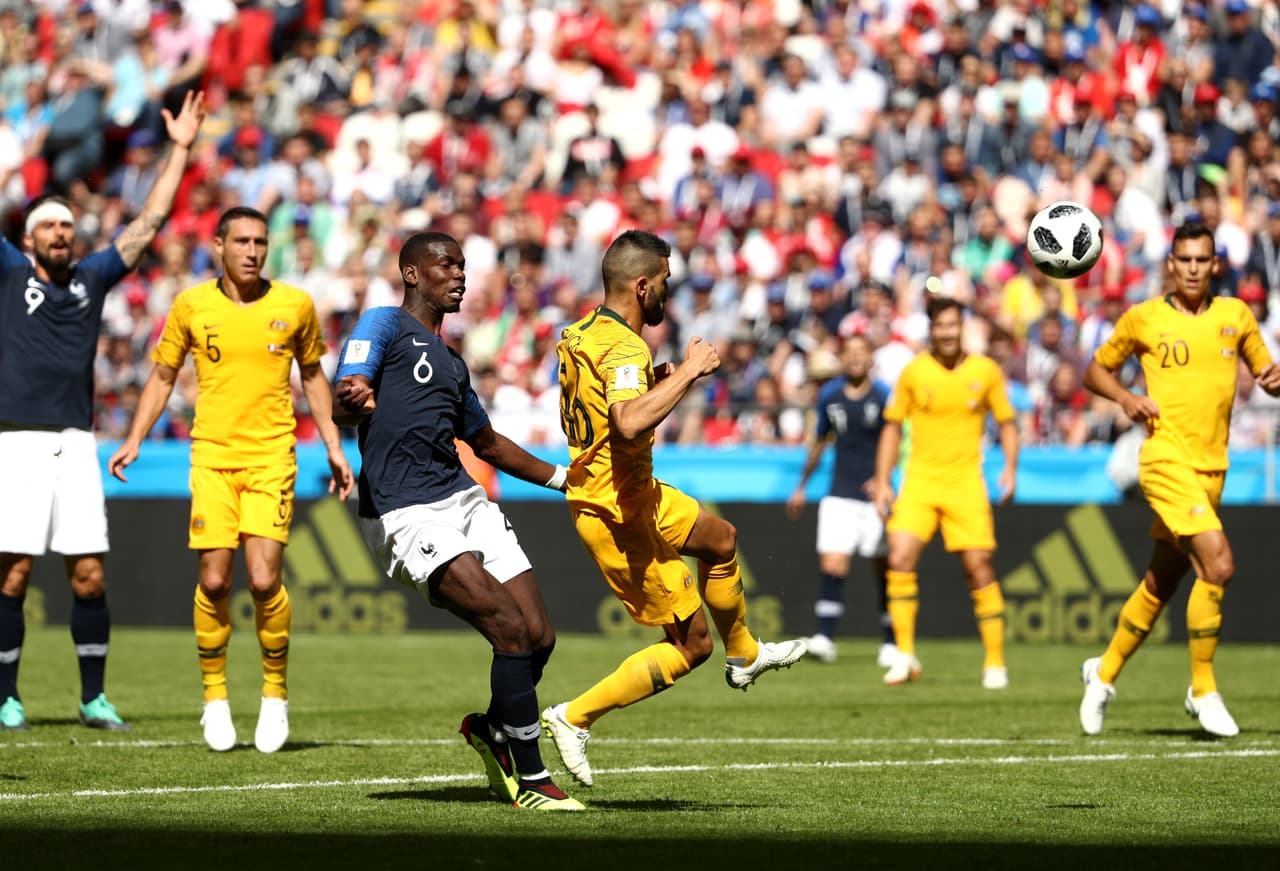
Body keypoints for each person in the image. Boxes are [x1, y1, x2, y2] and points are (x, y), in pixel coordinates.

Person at [541, 229, 807, 789]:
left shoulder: (582, 332)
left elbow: (608, 401)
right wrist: (688, 371)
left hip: (634, 490)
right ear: (642, 286)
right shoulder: (625, 346)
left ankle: (745, 654)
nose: (669, 291)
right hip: (615, 511)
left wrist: (658, 378)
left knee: (720, 538)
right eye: (665, 281)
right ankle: (574, 717)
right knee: (692, 645)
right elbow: (627, 421)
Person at [330, 232, 583, 811]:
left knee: (539, 636)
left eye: (464, 266)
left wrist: (565, 479)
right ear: (412, 273)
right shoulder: (384, 323)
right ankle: (533, 780)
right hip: (404, 510)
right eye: (446, 264)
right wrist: (353, 395)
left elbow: (487, 443)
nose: (460, 274)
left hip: (463, 500)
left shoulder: (452, 363)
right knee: (507, 627)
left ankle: (492, 729)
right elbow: (345, 394)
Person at [107, 206, 355, 754]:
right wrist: (134, 437)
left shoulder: (295, 304)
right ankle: (215, 698)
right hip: (212, 459)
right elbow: (163, 376)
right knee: (216, 581)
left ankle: (275, 695)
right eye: (241, 241)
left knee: (264, 580)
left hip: (272, 458)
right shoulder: (191, 305)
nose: (252, 251)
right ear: (219, 245)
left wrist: (335, 446)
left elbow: (314, 375)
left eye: (260, 242)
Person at [0, 91, 206, 733]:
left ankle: (93, 698)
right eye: (49, 226)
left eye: (67, 226)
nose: (61, 233)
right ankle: (6, 696)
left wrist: (180, 149)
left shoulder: (91, 279)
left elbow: (150, 220)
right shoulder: (9, 275)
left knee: (89, 574)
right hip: (16, 439)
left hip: (76, 441)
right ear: (28, 239)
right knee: (12, 573)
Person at [1078, 223, 1280, 738]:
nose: (1192, 268)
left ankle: (1102, 674)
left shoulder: (1236, 316)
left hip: (1212, 469)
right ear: (1170, 264)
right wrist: (1126, 399)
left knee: (1161, 581)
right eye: (1184, 259)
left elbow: (1268, 377)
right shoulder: (1144, 317)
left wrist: (1275, 380)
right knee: (1219, 563)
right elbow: (1095, 371)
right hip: (1164, 460)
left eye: (1201, 260)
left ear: (1215, 265)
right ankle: (1203, 689)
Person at [870, 296, 1019, 690]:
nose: (947, 333)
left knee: (979, 567)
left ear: (962, 327)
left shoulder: (985, 371)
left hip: (966, 482)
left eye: (953, 325)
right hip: (920, 481)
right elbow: (892, 426)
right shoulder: (914, 372)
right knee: (899, 557)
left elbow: (1007, 422)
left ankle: (995, 662)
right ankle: (904, 655)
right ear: (931, 330)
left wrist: (1010, 468)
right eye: (940, 326)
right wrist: (883, 480)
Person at [786, 334, 897, 666]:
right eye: (849, 352)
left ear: (871, 358)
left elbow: (897, 440)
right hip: (840, 492)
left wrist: (884, 479)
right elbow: (820, 441)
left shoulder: (884, 396)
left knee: (884, 568)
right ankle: (824, 638)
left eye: (862, 351)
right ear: (842, 359)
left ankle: (892, 641)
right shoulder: (830, 396)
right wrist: (801, 486)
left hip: (876, 495)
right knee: (833, 564)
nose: (855, 357)